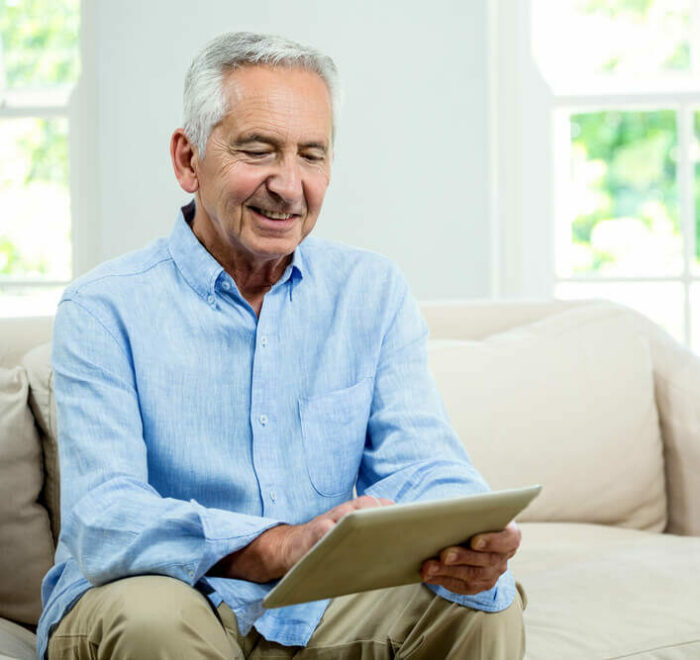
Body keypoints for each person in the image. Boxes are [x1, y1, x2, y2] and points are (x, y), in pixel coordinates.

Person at [38, 31, 525, 660]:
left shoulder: (370, 291)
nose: (289, 186)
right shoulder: (103, 308)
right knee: (153, 618)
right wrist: (273, 545)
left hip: (316, 603)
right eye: (259, 150)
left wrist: (469, 531)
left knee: (479, 602)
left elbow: (421, 462)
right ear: (188, 159)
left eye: (312, 156)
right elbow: (104, 517)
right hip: (160, 595)